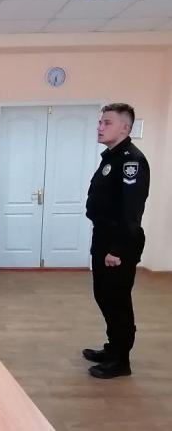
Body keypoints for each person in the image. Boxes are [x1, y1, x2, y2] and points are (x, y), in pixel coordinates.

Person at [83, 103, 149, 379]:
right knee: (104, 296)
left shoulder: (131, 161)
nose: (100, 127)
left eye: (106, 123)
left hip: (118, 243)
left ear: (125, 127)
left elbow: (131, 212)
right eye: (100, 122)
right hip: (104, 237)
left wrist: (117, 249)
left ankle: (121, 361)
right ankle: (113, 348)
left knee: (117, 301)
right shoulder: (112, 157)